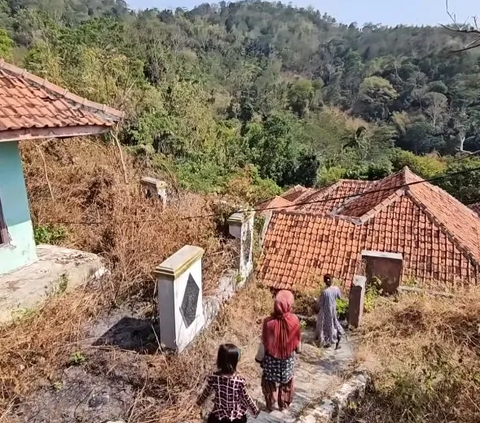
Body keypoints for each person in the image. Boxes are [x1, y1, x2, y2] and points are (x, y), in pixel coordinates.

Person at [197, 343, 260, 423]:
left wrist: (198, 403)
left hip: (219, 415)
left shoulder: (214, 378)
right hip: (235, 417)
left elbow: (205, 393)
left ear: (219, 360)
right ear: (234, 363)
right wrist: (255, 410)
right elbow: (246, 398)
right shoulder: (239, 381)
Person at [261, 290, 301, 412]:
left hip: (271, 359)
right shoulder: (294, 320)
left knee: (268, 380)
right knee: (287, 382)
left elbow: (264, 341)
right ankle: (283, 405)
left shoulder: (268, 322)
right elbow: (297, 339)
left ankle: (270, 404)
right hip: (287, 361)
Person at [315, 274, 344, 348]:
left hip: (325, 311)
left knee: (325, 326)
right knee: (333, 322)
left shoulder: (324, 292)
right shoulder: (336, 289)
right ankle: (337, 335)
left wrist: (316, 301)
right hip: (333, 309)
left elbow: (321, 303)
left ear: (324, 281)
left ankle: (328, 340)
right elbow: (340, 297)